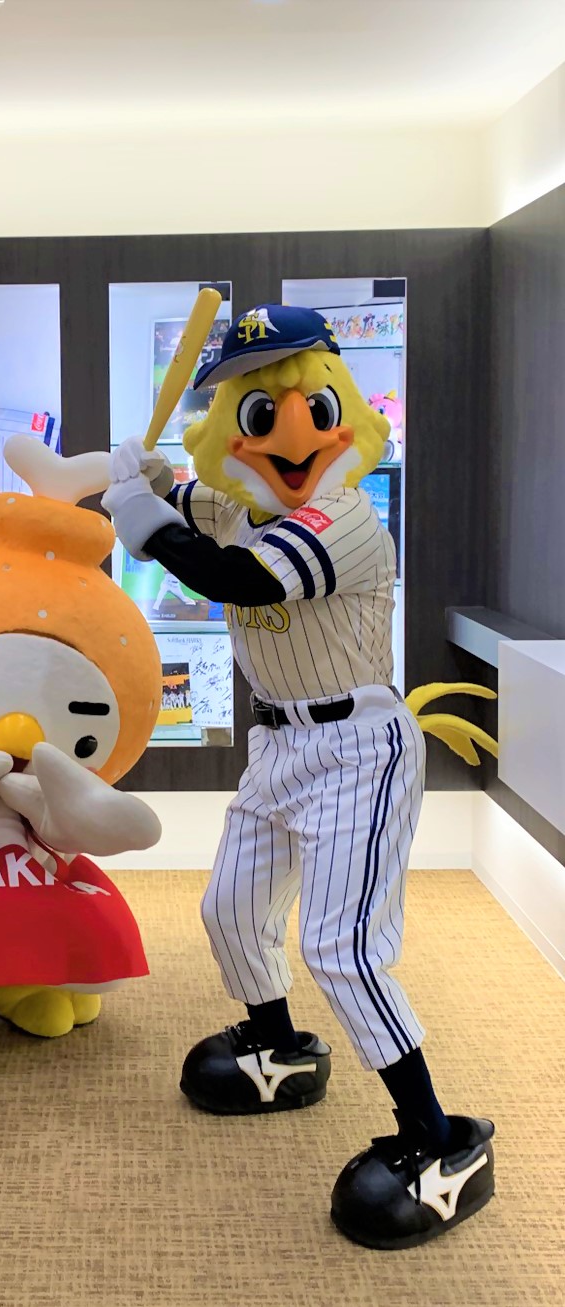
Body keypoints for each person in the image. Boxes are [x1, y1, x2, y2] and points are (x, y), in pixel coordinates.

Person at [102, 304, 495, 1251]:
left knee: (341, 947)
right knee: (230, 909)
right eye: (258, 414)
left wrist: (145, 522)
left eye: (311, 408)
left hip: (359, 746)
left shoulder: (346, 516)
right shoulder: (239, 499)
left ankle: (438, 1139)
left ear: (342, 413)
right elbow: (199, 507)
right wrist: (147, 482)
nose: (290, 435)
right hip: (279, 743)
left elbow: (236, 578)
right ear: (229, 430)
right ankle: (277, 1045)